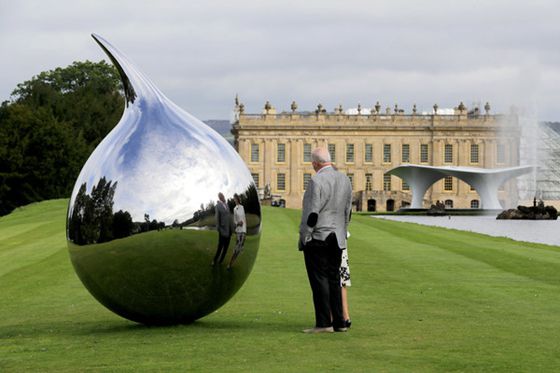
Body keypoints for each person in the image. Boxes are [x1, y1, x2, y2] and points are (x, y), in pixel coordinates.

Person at [299, 147, 352, 333]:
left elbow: (311, 213)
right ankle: (339, 323)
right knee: (334, 278)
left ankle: (323, 323)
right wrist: (342, 231)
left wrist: (305, 237)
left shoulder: (316, 180)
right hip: (338, 237)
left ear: (315, 163)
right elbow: (348, 211)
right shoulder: (345, 179)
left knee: (319, 280)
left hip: (319, 237)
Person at [212, 192, 232, 266]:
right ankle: (214, 260)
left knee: (226, 248)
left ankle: (220, 261)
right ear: (219, 197)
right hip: (222, 230)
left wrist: (231, 228)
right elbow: (217, 218)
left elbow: (229, 216)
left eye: (223, 195)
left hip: (229, 230)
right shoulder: (218, 206)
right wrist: (219, 228)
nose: (223, 197)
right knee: (220, 247)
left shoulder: (227, 205)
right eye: (221, 196)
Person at [227, 194, 246, 270]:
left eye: (235, 198)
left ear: (238, 199)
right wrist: (238, 223)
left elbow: (244, 219)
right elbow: (235, 221)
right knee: (236, 249)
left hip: (243, 231)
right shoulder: (235, 209)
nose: (234, 200)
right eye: (234, 199)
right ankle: (230, 264)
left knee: (239, 249)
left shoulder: (242, 207)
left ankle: (232, 263)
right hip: (238, 231)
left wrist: (245, 232)